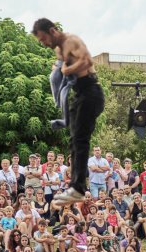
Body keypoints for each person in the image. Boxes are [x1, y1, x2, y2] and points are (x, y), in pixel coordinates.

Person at [32, 18, 104, 205]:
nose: (44, 44)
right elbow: (59, 69)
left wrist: (66, 68)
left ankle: (79, 188)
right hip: (79, 94)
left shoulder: (71, 41)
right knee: (73, 138)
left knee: (81, 138)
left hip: (91, 91)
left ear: (52, 31)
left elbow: (86, 61)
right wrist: (57, 70)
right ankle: (75, 185)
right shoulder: (58, 50)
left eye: (43, 39)